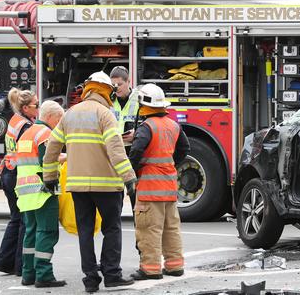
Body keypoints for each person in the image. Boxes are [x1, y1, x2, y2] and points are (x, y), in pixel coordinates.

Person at [42, 71, 137, 293]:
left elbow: (51, 148)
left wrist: (49, 178)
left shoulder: (70, 114)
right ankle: (112, 275)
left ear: (88, 89)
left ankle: (90, 280)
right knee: (111, 228)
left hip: (78, 186)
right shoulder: (106, 114)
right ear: (107, 91)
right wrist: (130, 177)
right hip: (106, 185)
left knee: (85, 231)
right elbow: (116, 150)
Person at [128, 84, 190, 280]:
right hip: (169, 187)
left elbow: (136, 152)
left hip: (149, 188)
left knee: (149, 230)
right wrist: (170, 165)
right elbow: (184, 148)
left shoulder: (147, 127)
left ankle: (150, 268)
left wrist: (132, 171)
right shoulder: (173, 125)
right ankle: (174, 265)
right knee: (171, 228)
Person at [15, 101, 66, 287]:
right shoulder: (45, 133)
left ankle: (28, 274)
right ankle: (44, 275)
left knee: (30, 232)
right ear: (51, 116)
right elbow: (48, 161)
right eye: (60, 119)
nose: (60, 124)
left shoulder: (26, 134)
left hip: (26, 192)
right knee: (47, 232)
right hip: (44, 191)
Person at [0, 88, 38, 276]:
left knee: (16, 219)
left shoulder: (15, 120)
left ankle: (4, 262)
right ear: (26, 108)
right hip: (16, 175)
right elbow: (29, 152)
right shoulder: (26, 126)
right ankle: (21, 266)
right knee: (25, 222)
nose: (39, 108)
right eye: (36, 105)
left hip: (8, 172)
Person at [110, 66, 139, 147]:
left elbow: (147, 124)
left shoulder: (139, 98)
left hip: (132, 148)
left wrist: (136, 134)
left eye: (119, 84)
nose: (116, 88)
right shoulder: (108, 100)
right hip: (113, 148)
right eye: (113, 85)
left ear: (128, 81)